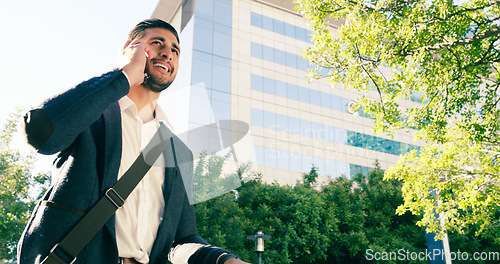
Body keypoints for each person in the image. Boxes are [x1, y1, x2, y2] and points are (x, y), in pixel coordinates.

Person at [18, 18, 250, 264]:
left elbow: (182, 239)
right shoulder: (91, 114)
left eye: (175, 50)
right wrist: (124, 74)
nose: (167, 52)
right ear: (131, 48)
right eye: (157, 42)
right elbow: (41, 133)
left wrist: (222, 259)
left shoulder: (178, 152)